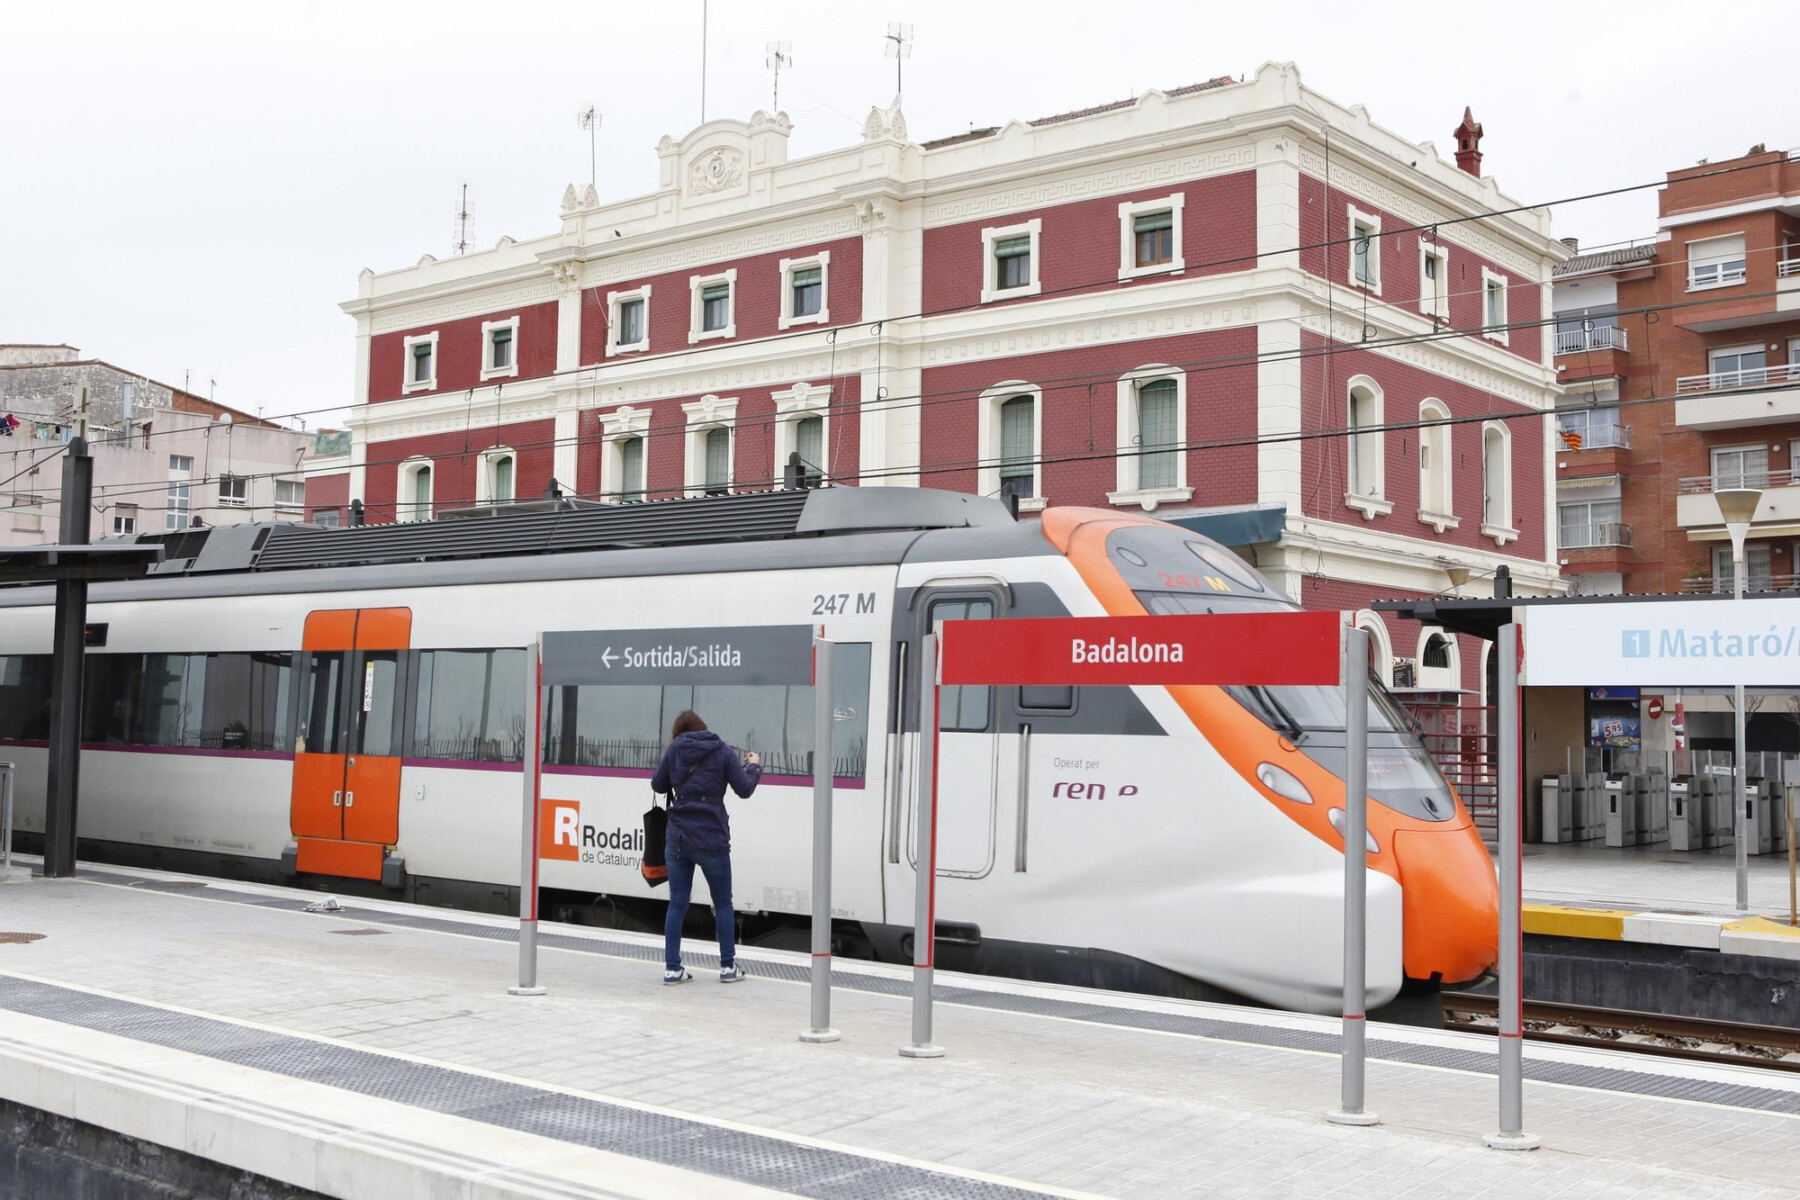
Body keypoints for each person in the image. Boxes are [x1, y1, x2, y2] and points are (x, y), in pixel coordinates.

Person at [650, 709, 761, 985]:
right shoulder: (722, 751)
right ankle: (728, 967)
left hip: (679, 840)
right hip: (712, 840)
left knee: (677, 904)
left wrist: (674, 766)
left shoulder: (675, 750)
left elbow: (657, 785)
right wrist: (754, 766)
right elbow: (745, 789)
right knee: (722, 903)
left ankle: (672, 970)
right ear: (703, 727)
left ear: (679, 732)